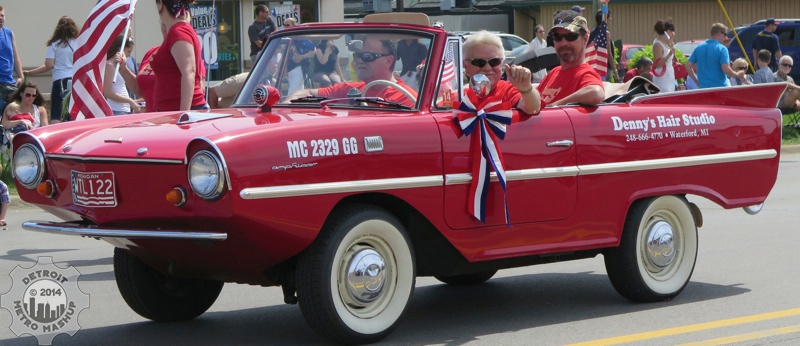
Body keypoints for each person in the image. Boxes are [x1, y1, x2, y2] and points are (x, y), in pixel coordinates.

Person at [287, 36, 417, 107]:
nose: (359, 61)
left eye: (367, 56)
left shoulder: (407, 99)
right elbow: (307, 92)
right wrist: (287, 104)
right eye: (357, 56)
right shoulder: (350, 90)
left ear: (388, 61)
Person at [461, 30, 540, 115]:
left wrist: (526, 88)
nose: (487, 68)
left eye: (494, 61)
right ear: (466, 67)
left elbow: (533, 108)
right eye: (479, 62)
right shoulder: (459, 97)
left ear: (501, 64)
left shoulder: (507, 91)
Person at [537, 10, 604, 106]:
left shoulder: (584, 74)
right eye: (557, 37)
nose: (563, 43)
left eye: (571, 36)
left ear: (585, 39)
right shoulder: (553, 73)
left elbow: (596, 93)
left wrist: (554, 107)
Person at [151, 0, 207, 111]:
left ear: (161, 4)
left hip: (179, 109)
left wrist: (184, 114)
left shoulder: (179, 31)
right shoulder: (176, 30)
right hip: (172, 109)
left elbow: (189, 72)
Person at [23, 16, 78, 124]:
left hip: (60, 81)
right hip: (75, 81)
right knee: (72, 113)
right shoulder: (78, 42)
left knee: (56, 113)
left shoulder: (55, 44)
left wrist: (30, 72)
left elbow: (48, 65)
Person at [686, 23, 745, 89]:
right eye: (725, 34)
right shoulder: (722, 49)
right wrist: (737, 74)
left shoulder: (699, 47)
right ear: (719, 33)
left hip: (703, 89)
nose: (726, 38)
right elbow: (725, 69)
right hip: (720, 88)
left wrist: (696, 81)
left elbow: (688, 66)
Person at [104, 35, 141, 115]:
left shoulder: (119, 65)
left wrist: (133, 101)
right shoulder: (109, 65)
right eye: (128, 51)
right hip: (116, 110)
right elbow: (107, 92)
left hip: (123, 108)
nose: (129, 55)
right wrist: (129, 100)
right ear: (120, 50)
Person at [0, 6, 24, 114]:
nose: (1, 18)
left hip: (9, 81)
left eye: (2, 15)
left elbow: (16, 56)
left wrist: (21, 76)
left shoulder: (9, 33)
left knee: (18, 109)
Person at [283, 18, 315, 95]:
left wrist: (302, 56)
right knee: (298, 93)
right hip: (289, 70)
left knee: (292, 93)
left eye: (288, 25)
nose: (286, 27)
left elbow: (314, 50)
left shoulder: (300, 38)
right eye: (284, 25)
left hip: (299, 68)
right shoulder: (285, 38)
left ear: (294, 26)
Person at [587, 10, 619, 82]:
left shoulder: (591, 33)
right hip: (604, 67)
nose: (610, 20)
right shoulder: (605, 33)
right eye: (609, 18)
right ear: (605, 19)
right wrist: (615, 70)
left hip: (594, 66)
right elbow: (609, 53)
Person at [651, 19, 676, 92]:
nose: (673, 33)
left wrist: (671, 42)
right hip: (662, 77)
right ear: (667, 31)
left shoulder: (665, 43)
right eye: (672, 31)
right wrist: (669, 55)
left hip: (669, 76)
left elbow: (673, 57)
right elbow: (657, 64)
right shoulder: (658, 44)